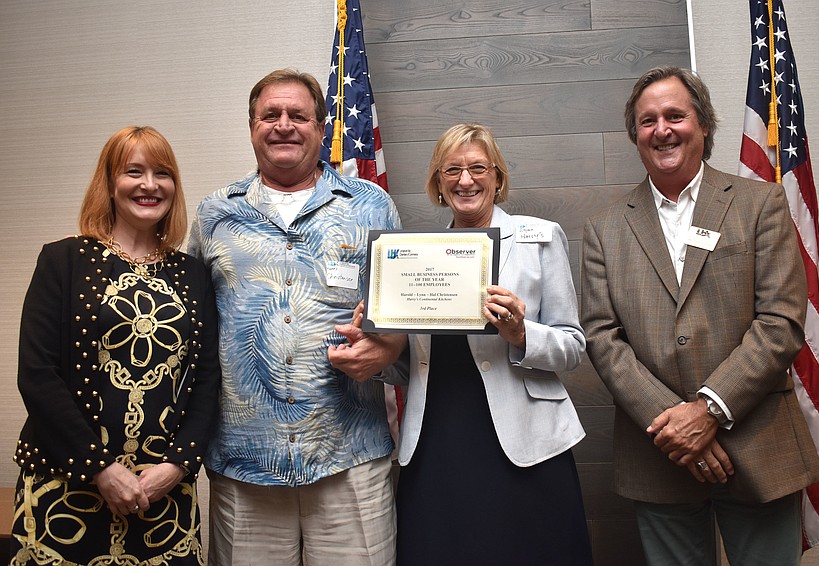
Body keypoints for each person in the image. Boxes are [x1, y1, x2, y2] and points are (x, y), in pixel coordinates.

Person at [581, 66, 819, 565]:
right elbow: (602, 338)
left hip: (757, 445)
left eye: (675, 115)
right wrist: (673, 427)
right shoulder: (604, 228)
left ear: (704, 124)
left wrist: (708, 411)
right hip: (658, 455)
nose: (662, 129)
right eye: (648, 121)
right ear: (635, 136)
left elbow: (781, 321)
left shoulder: (761, 204)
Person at [337, 122, 592, 565]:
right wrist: (376, 349)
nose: (465, 180)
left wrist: (521, 333)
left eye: (477, 168)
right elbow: (404, 365)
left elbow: (573, 346)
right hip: (437, 439)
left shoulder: (540, 237)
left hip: (523, 441)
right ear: (438, 182)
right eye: (451, 170)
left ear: (498, 176)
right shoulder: (413, 255)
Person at [188, 69, 404, 566]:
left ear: (321, 126)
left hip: (349, 458)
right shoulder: (214, 214)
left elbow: (401, 317)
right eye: (270, 115)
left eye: (298, 115)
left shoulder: (371, 206)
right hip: (245, 464)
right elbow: (192, 331)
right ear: (252, 127)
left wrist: (387, 347)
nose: (284, 125)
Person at [9, 126, 221, 564]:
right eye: (134, 172)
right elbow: (37, 375)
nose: (149, 185)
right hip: (67, 487)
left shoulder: (193, 274)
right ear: (108, 183)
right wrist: (100, 469)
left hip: (162, 494)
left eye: (163, 173)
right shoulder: (62, 261)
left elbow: (206, 380)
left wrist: (178, 465)